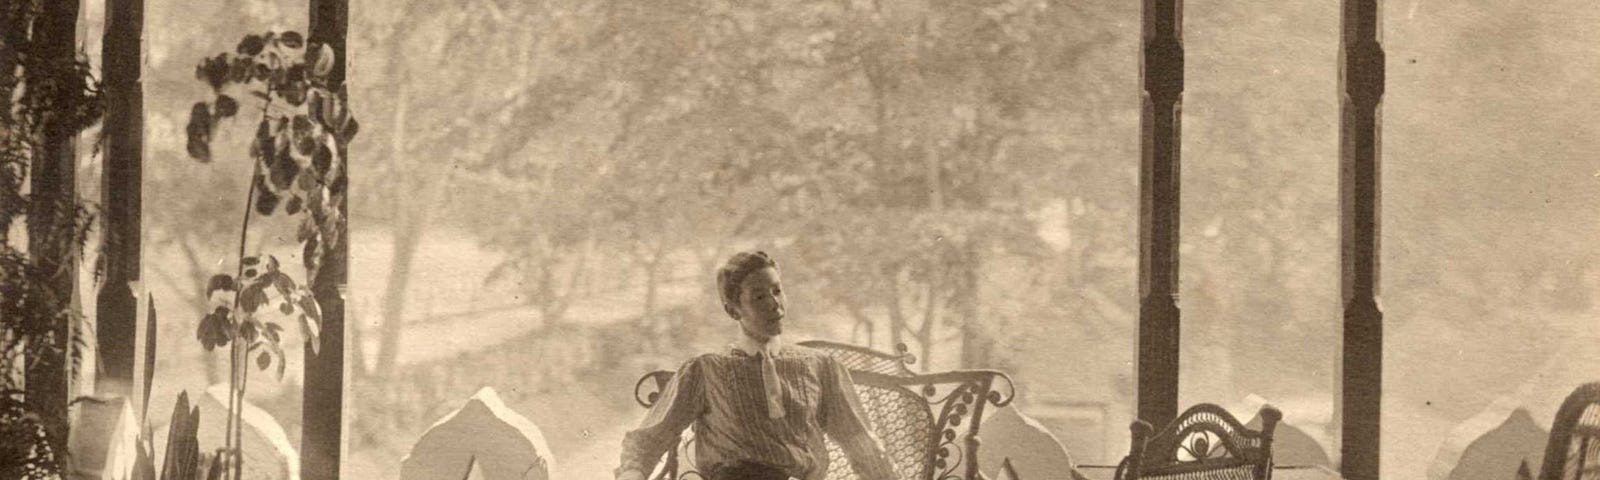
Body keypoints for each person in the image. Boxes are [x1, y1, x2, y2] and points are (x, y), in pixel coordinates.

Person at [615, 251, 898, 480]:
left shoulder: (820, 367)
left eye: (777, 291)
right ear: (732, 309)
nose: (775, 304)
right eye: (760, 297)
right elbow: (646, 442)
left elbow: (861, 442)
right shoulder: (706, 371)